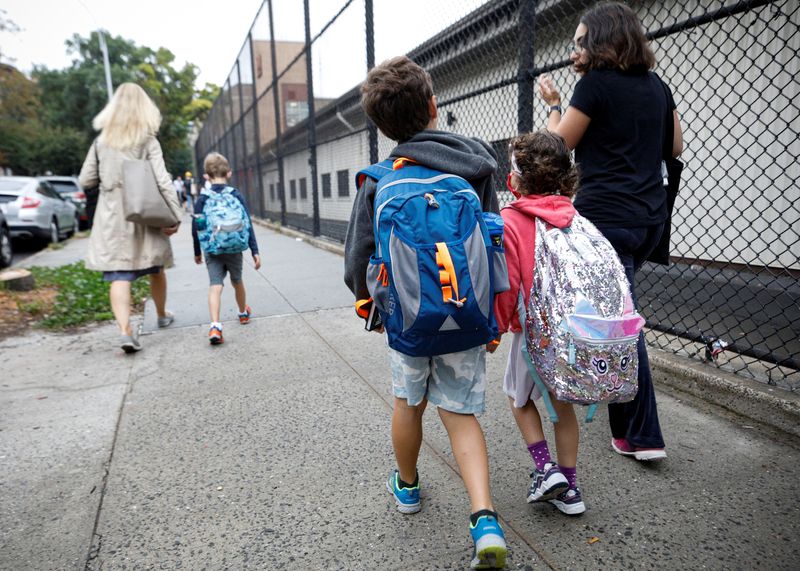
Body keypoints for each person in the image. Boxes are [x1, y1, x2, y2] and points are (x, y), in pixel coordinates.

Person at [344, 56, 507, 569]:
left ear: (379, 124)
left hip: (409, 320)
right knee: (460, 414)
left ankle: (408, 487)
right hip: (467, 315)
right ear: (435, 106)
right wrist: (492, 314)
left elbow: (358, 256)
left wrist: (367, 299)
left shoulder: (377, 179)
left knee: (407, 403)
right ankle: (484, 519)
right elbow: (494, 240)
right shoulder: (477, 165)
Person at [537, 1, 683, 461]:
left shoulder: (594, 85)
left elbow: (558, 147)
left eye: (580, 41)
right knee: (616, 311)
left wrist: (556, 106)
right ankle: (618, 410)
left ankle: (642, 435)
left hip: (608, 220)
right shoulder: (657, 85)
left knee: (624, 322)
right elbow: (675, 145)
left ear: (600, 41)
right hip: (649, 220)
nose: (574, 48)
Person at [490, 131, 586, 516]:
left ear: (515, 179)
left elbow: (507, 284)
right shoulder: (574, 216)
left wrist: (496, 328)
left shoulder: (511, 219)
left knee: (519, 397)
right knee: (563, 406)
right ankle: (571, 488)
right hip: (574, 330)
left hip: (534, 333)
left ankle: (546, 470)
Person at [78, 82, 182, 353]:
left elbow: (85, 179)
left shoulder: (101, 141)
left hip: (112, 215)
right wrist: (174, 215)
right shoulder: (147, 140)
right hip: (144, 211)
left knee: (119, 274)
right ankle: (161, 314)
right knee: (155, 267)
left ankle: (125, 330)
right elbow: (162, 180)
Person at [192, 152, 260, 345]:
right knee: (237, 281)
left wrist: (197, 251)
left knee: (215, 285)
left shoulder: (202, 198)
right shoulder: (236, 194)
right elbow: (247, 223)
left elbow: (196, 227)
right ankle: (242, 313)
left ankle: (215, 325)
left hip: (212, 249)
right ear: (229, 173)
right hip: (235, 248)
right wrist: (254, 251)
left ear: (206, 175)